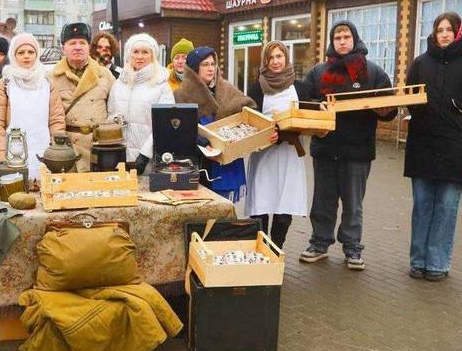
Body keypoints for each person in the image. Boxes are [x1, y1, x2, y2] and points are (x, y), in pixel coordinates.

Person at [299, 20, 396, 270]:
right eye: (338, 37)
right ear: (332, 42)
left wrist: (384, 109)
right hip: (325, 149)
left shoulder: (372, 72)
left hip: (358, 150)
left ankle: (352, 248)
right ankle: (319, 243)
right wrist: (313, 107)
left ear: (355, 39)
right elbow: (303, 101)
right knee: (323, 200)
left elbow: (389, 110)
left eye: (346, 37)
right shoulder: (319, 73)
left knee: (353, 204)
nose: (342, 41)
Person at [404, 12, 462, 281]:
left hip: (456, 146)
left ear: (458, 32)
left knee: (446, 208)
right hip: (423, 144)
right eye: (439, 29)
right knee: (422, 205)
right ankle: (418, 261)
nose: (443, 34)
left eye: (448, 29)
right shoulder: (421, 62)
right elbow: (409, 96)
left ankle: (438, 264)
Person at [245, 41, 310, 249]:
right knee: (260, 203)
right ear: (265, 61)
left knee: (285, 204)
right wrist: (264, 134)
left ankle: (276, 247)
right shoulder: (257, 88)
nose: (275, 61)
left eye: (279, 56)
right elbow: (248, 121)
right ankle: (261, 248)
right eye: (271, 58)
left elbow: (310, 116)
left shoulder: (300, 88)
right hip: (264, 154)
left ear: (286, 58)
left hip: (289, 154)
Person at [173, 46, 256, 201]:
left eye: (213, 64)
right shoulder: (181, 94)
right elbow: (181, 127)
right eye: (205, 65)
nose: (210, 69)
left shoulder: (226, 89)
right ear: (193, 68)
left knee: (223, 210)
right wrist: (204, 142)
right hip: (200, 160)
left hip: (226, 158)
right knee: (202, 209)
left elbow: (246, 113)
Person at [0, 33, 65, 177]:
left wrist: (57, 153)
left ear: (37, 54)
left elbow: (56, 121)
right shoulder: (4, 84)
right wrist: (0, 159)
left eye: (31, 52)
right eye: (21, 52)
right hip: (13, 156)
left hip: (44, 153)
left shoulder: (48, 83)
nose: (26, 56)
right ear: (13, 55)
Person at [50, 22, 114, 172]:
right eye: (72, 43)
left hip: (98, 149)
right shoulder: (51, 77)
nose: (77, 47)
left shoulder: (105, 75)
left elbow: (114, 112)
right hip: (66, 150)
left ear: (88, 47)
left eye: (82, 43)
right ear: (63, 48)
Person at [107, 33, 174, 174]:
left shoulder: (161, 85)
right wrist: (115, 120)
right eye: (135, 51)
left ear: (152, 55)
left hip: (149, 161)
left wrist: (144, 155)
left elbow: (165, 124)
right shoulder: (118, 84)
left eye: (145, 52)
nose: (139, 56)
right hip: (119, 158)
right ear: (128, 55)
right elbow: (110, 115)